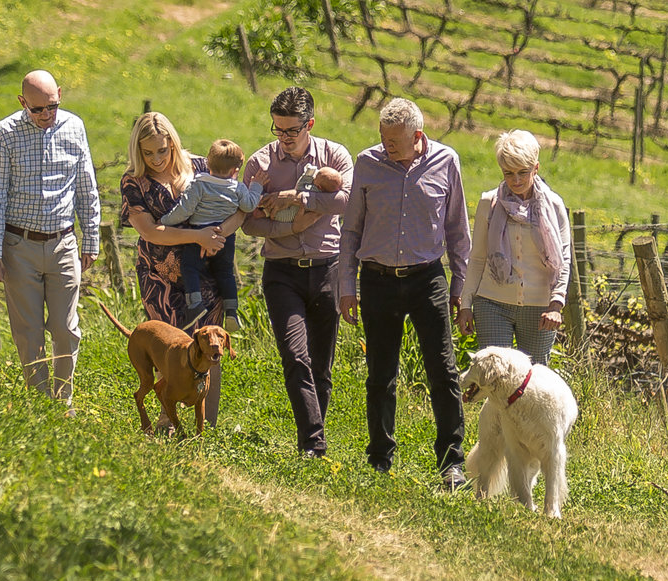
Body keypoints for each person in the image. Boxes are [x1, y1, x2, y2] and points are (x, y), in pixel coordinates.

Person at [334, 95, 470, 488]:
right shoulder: (367, 163)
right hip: (376, 280)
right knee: (380, 374)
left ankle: (451, 462)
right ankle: (379, 458)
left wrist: (459, 284)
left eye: (394, 140)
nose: (386, 146)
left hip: (427, 278)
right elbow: (352, 231)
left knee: (442, 372)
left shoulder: (446, 162)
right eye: (383, 137)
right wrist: (347, 286)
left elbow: (458, 230)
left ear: (418, 136)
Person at [240, 85, 352, 457]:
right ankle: (313, 445)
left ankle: (311, 437)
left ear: (310, 124)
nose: (284, 139)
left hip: (327, 268)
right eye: (278, 130)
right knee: (295, 355)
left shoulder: (334, 155)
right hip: (282, 270)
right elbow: (249, 223)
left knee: (321, 365)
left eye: (292, 130)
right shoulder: (259, 164)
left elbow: (346, 200)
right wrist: (290, 227)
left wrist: (299, 199)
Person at [0, 69, 100, 407]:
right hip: (20, 245)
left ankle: (63, 400)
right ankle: (38, 400)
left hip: (63, 242)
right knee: (28, 330)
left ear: (60, 95)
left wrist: (90, 239)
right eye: (38, 110)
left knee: (65, 328)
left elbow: (86, 186)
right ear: (23, 103)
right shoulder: (4, 134)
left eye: (52, 106)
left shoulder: (74, 126)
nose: (47, 115)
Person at [118, 110, 233, 423]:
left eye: (163, 150)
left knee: (210, 347)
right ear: (138, 151)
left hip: (205, 274)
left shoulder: (200, 166)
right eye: (148, 152)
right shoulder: (134, 181)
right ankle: (168, 419)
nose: (156, 158)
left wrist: (218, 236)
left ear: (173, 143)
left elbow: (231, 201)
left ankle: (205, 423)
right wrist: (197, 235)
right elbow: (150, 231)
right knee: (172, 348)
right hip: (161, 278)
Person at [461, 129, 570, 364]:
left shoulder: (554, 205)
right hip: (492, 302)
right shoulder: (488, 202)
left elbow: (564, 260)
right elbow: (477, 257)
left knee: (533, 381)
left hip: (539, 307)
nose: (516, 180)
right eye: (509, 173)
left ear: (536, 168)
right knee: (494, 374)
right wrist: (466, 304)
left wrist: (556, 305)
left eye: (523, 172)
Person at [156, 137, 258, 323]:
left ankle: (195, 305)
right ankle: (231, 311)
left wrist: (164, 220)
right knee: (225, 272)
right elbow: (249, 206)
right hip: (225, 239)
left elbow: (184, 210)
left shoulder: (199, 184)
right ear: (236, 170)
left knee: (189, 267)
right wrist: (257, 186)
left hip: (199, 234)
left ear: (207, 163)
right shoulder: (238, 188)